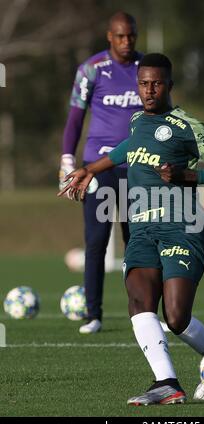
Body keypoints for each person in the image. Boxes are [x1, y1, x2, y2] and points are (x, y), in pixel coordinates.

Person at [58, 53, 204, 405]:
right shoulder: (138, 121)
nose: (149, 90)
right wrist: (91, 168)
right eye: (143, 83)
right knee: (139, 300)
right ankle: (166, 382)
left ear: (169, 86)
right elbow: (130, 148)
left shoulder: (188, 126)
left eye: (157, 83)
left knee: (175, 317)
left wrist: (189, 175)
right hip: (142, 229)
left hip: (182, 227)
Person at [59, 12, 143, 334]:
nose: (126, 42)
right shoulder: (91, 69)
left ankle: (144, 312)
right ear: (110, 36)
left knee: (140, 243)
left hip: (139, 168)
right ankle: (93, 315)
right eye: (120, 37)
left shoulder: (146, 69)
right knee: (96, 242)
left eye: (131, 36)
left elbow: (163, 114)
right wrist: (68, 158)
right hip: (99, 168)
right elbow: (75, 118)